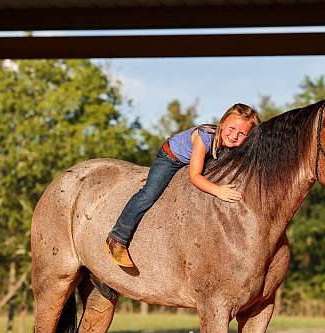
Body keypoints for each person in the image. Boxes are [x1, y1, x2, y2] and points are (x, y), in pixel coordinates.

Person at [106, 103, 261, 267]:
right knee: (148, 195)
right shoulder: (205, 137)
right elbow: (194, 176)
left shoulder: (232, 145)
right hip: (170, 158)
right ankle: (117, 237)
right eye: (232, 128)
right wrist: (218, 191)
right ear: (222, 123)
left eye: (242, 133)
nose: (234, 135)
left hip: (192, 160)